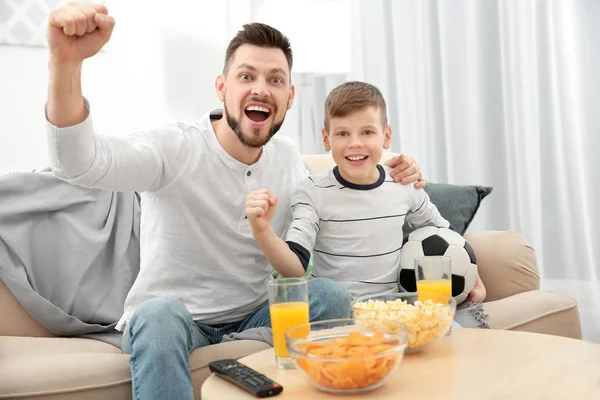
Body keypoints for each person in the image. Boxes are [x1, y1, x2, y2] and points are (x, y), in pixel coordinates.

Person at [45, 3, 427, 399]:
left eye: (275, 79)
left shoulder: (287, 156)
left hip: (256, 315)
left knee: (329, 295)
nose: (261, 88)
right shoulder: (175, 147)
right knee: (158, 314)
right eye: (246, 76)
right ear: (222, 87)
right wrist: (65, 63)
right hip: (179, 320)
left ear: (290, 96)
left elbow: (335, 196)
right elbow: (77, 163)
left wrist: (397, 169)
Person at [246, 81, 487, 302]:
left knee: (450, 329)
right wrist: (263, 231)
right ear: (326, 139)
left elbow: (448, 237)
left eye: (367, 132)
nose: (355, 143)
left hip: (395, 310)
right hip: (337, 310)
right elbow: (295, 267)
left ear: (387, 136)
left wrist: (476, 283)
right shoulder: (312, 191)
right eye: (342, 133)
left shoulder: (403, 184)